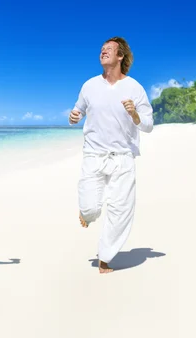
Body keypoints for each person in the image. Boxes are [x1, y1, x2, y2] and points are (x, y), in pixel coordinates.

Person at [69, 37, 153, 273]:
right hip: (94, 154)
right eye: (101, 49)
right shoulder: (89, 85)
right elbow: (77, 111)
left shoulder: (135, 88)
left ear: (120, 56)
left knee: (120, 209)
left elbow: (148, 124)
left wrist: (135, 114)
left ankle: (105, 258)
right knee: (90, 209)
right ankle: (87, 212)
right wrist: (73, 117)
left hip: (123, 156)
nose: (103, 52)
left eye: (109, 49)